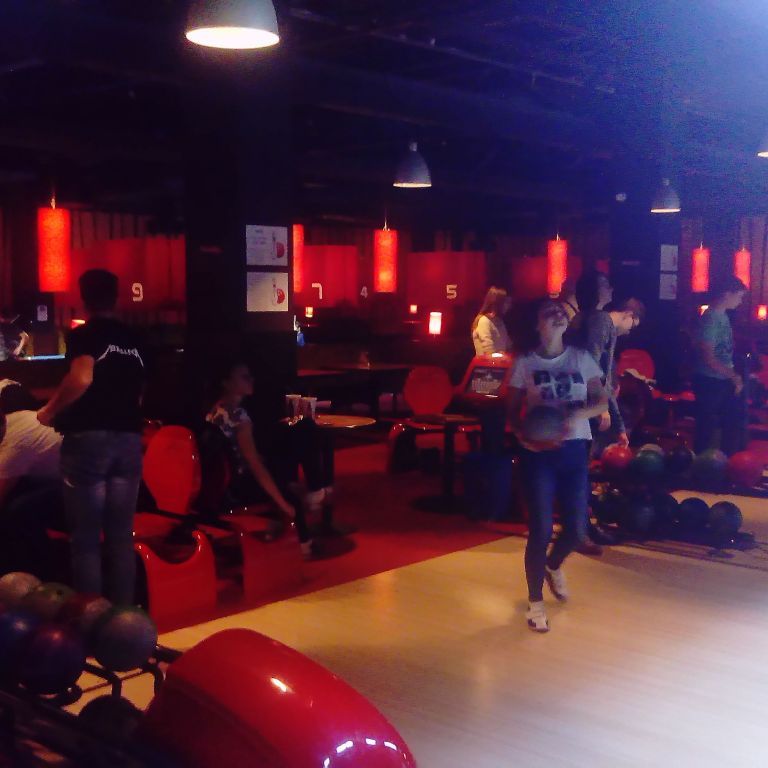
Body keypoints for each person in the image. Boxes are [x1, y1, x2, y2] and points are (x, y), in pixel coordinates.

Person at [37, 270, 145, 604]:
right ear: (117, 296)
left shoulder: (85, 335)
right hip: (129, 439)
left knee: (85, 539)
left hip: (89, 441)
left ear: (83, 298)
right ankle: (124, 618)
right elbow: (140, 391)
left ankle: (92, 618)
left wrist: (50, 410)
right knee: (120, 537)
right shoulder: (135, 338)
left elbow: (81, 378)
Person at [508, 298, 607, 633]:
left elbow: (601, 401)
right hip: (538, 454)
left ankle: (553, 565)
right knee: (541, 529)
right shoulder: (525, 362)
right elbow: (512, 411)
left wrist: (576, 414)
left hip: (574, 448)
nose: (558, 315)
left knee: (577, 529)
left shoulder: (581, 357)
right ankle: (535, 603)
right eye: (549, 313)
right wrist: (522, 434)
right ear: (537, 324)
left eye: (561, 312)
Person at [205, 361, 332, 558]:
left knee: (298, 433)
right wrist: (283, 503)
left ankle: (313, 493)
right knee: (305, 430)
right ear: (227, 383)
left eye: (250, 375)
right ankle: (305, 541)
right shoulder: (237, 416)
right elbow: (254, 465)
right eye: (244, 377)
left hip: (226, 483)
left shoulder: (215, 410)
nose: (251, 380)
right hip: (239, 486)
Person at [0, 381, 65, 577]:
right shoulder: (13, 422)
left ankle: (42, 572)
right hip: (57, 476)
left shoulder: (15, 440)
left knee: (16, 511)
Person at [692, 276, 747, 455]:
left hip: (720, 379)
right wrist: (734, 376)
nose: (740, 301)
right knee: (707, 427)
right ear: (727, 294)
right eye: (739, 296)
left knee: (728, 423)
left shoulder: (722, 317)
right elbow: (708, 357)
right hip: (709, 380)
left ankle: (721, 460)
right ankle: (703, 462)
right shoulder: (711, 319)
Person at [472, 287, 512, 356]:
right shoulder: (484, 321)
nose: (509, 306)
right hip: (487, 363)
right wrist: (502, 356)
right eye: (506, 302)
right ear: (498, 304)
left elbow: (508, 345)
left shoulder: (500, 321)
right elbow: (488, 351)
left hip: (500, 361)